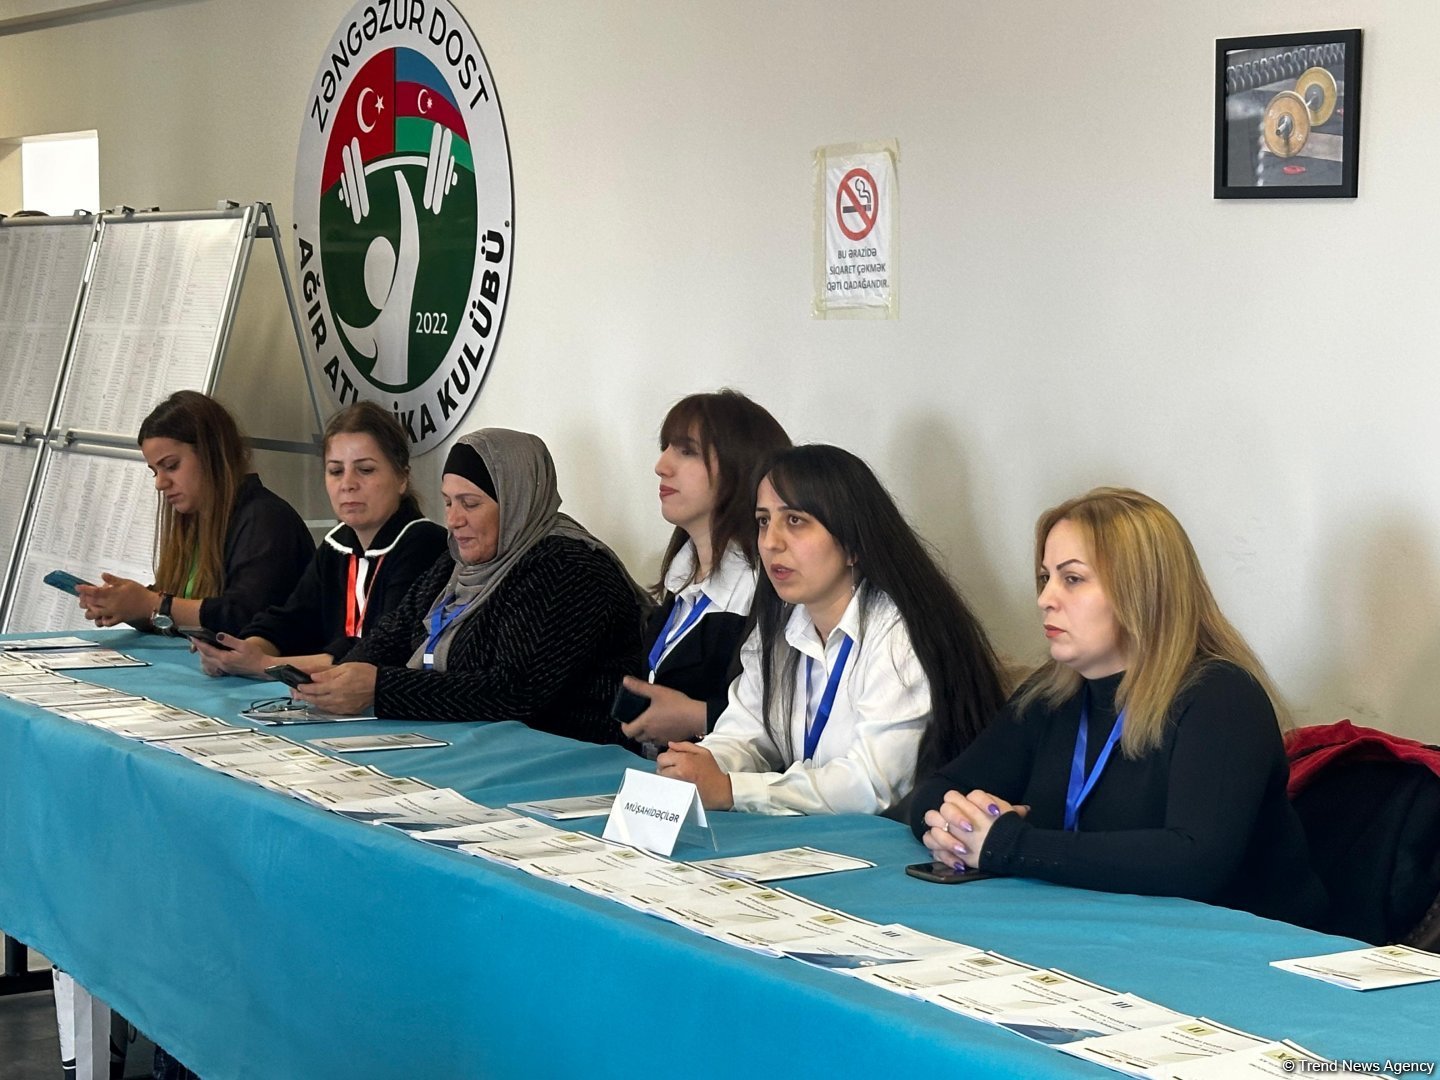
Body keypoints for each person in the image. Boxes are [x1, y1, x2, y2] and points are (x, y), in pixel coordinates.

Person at [911, 487, 1329, 929]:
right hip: (1096, 930)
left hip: (1242, 945)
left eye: (1072, 579)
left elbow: (1194, 862)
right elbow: (936, 789)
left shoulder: (1221, 697)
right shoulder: (1050, 696)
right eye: (1045, 578)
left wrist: (1009, 845)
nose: (1045, 598)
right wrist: (961, 826)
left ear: (1141, 591)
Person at [657, 444, 1006, 815]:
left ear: (853, 544)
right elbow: (745, 733)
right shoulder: (781, 622)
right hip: (817, 835)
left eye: (795, 521)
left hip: (902, 837)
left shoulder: (899, 632)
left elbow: (872, 785)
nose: (771, 542)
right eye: (763, 521)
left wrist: (733, 790)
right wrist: (698, 766)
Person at [294, 427, 647, 745]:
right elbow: (395, 633)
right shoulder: (457, 564)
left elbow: (515, 691)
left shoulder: (567, 566)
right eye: (448, 502)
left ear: (516, 500)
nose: (453, 519)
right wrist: (337, 681)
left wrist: (379, 688)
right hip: (475, 744)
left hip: (568, 755)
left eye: (470, 503)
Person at [194, 401, 448, 677]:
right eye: (336, 471)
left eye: (365, 470)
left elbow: (379, 652)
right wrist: (242, 651)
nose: (347, 484)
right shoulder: (336, 545)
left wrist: (263, 665)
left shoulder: (425, 543)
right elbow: (292, 619)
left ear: (402, 478)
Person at [618, 390, 791, 748]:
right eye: (666, 447)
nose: (661, 466)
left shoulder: (772, 586)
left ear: (738, 466)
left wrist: (698, 717)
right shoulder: (682, 578)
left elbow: (788, 721)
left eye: (687, 451)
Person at [76, 390, 312, 637]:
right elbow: (180, 603)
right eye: (155, 471)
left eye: (171, 466)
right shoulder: (196, 521)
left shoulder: (266, 520)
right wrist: (126, 606)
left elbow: (244, 618)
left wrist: (152, 604)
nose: (160, 483)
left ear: (213, 453)